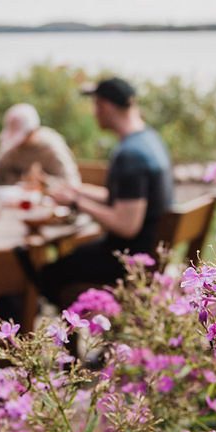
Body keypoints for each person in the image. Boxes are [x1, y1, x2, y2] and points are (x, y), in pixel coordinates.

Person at [37, 77, 173, 305]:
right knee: (71, 257)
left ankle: (72, 328)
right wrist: (77, 191)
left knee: (46, 274)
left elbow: (127, 225)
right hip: (149, 252)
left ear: (105, 106)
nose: (94, 113)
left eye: (96, 106)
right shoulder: (149, 139)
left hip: (128, 261)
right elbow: (127, 200)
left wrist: (76, 203)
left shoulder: (131, 155)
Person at [0, 103, 80, 186]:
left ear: (33, 131)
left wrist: (44, 181)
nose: (19, 143)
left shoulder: (52, 148)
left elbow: (72, 183)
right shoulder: (13, 149)